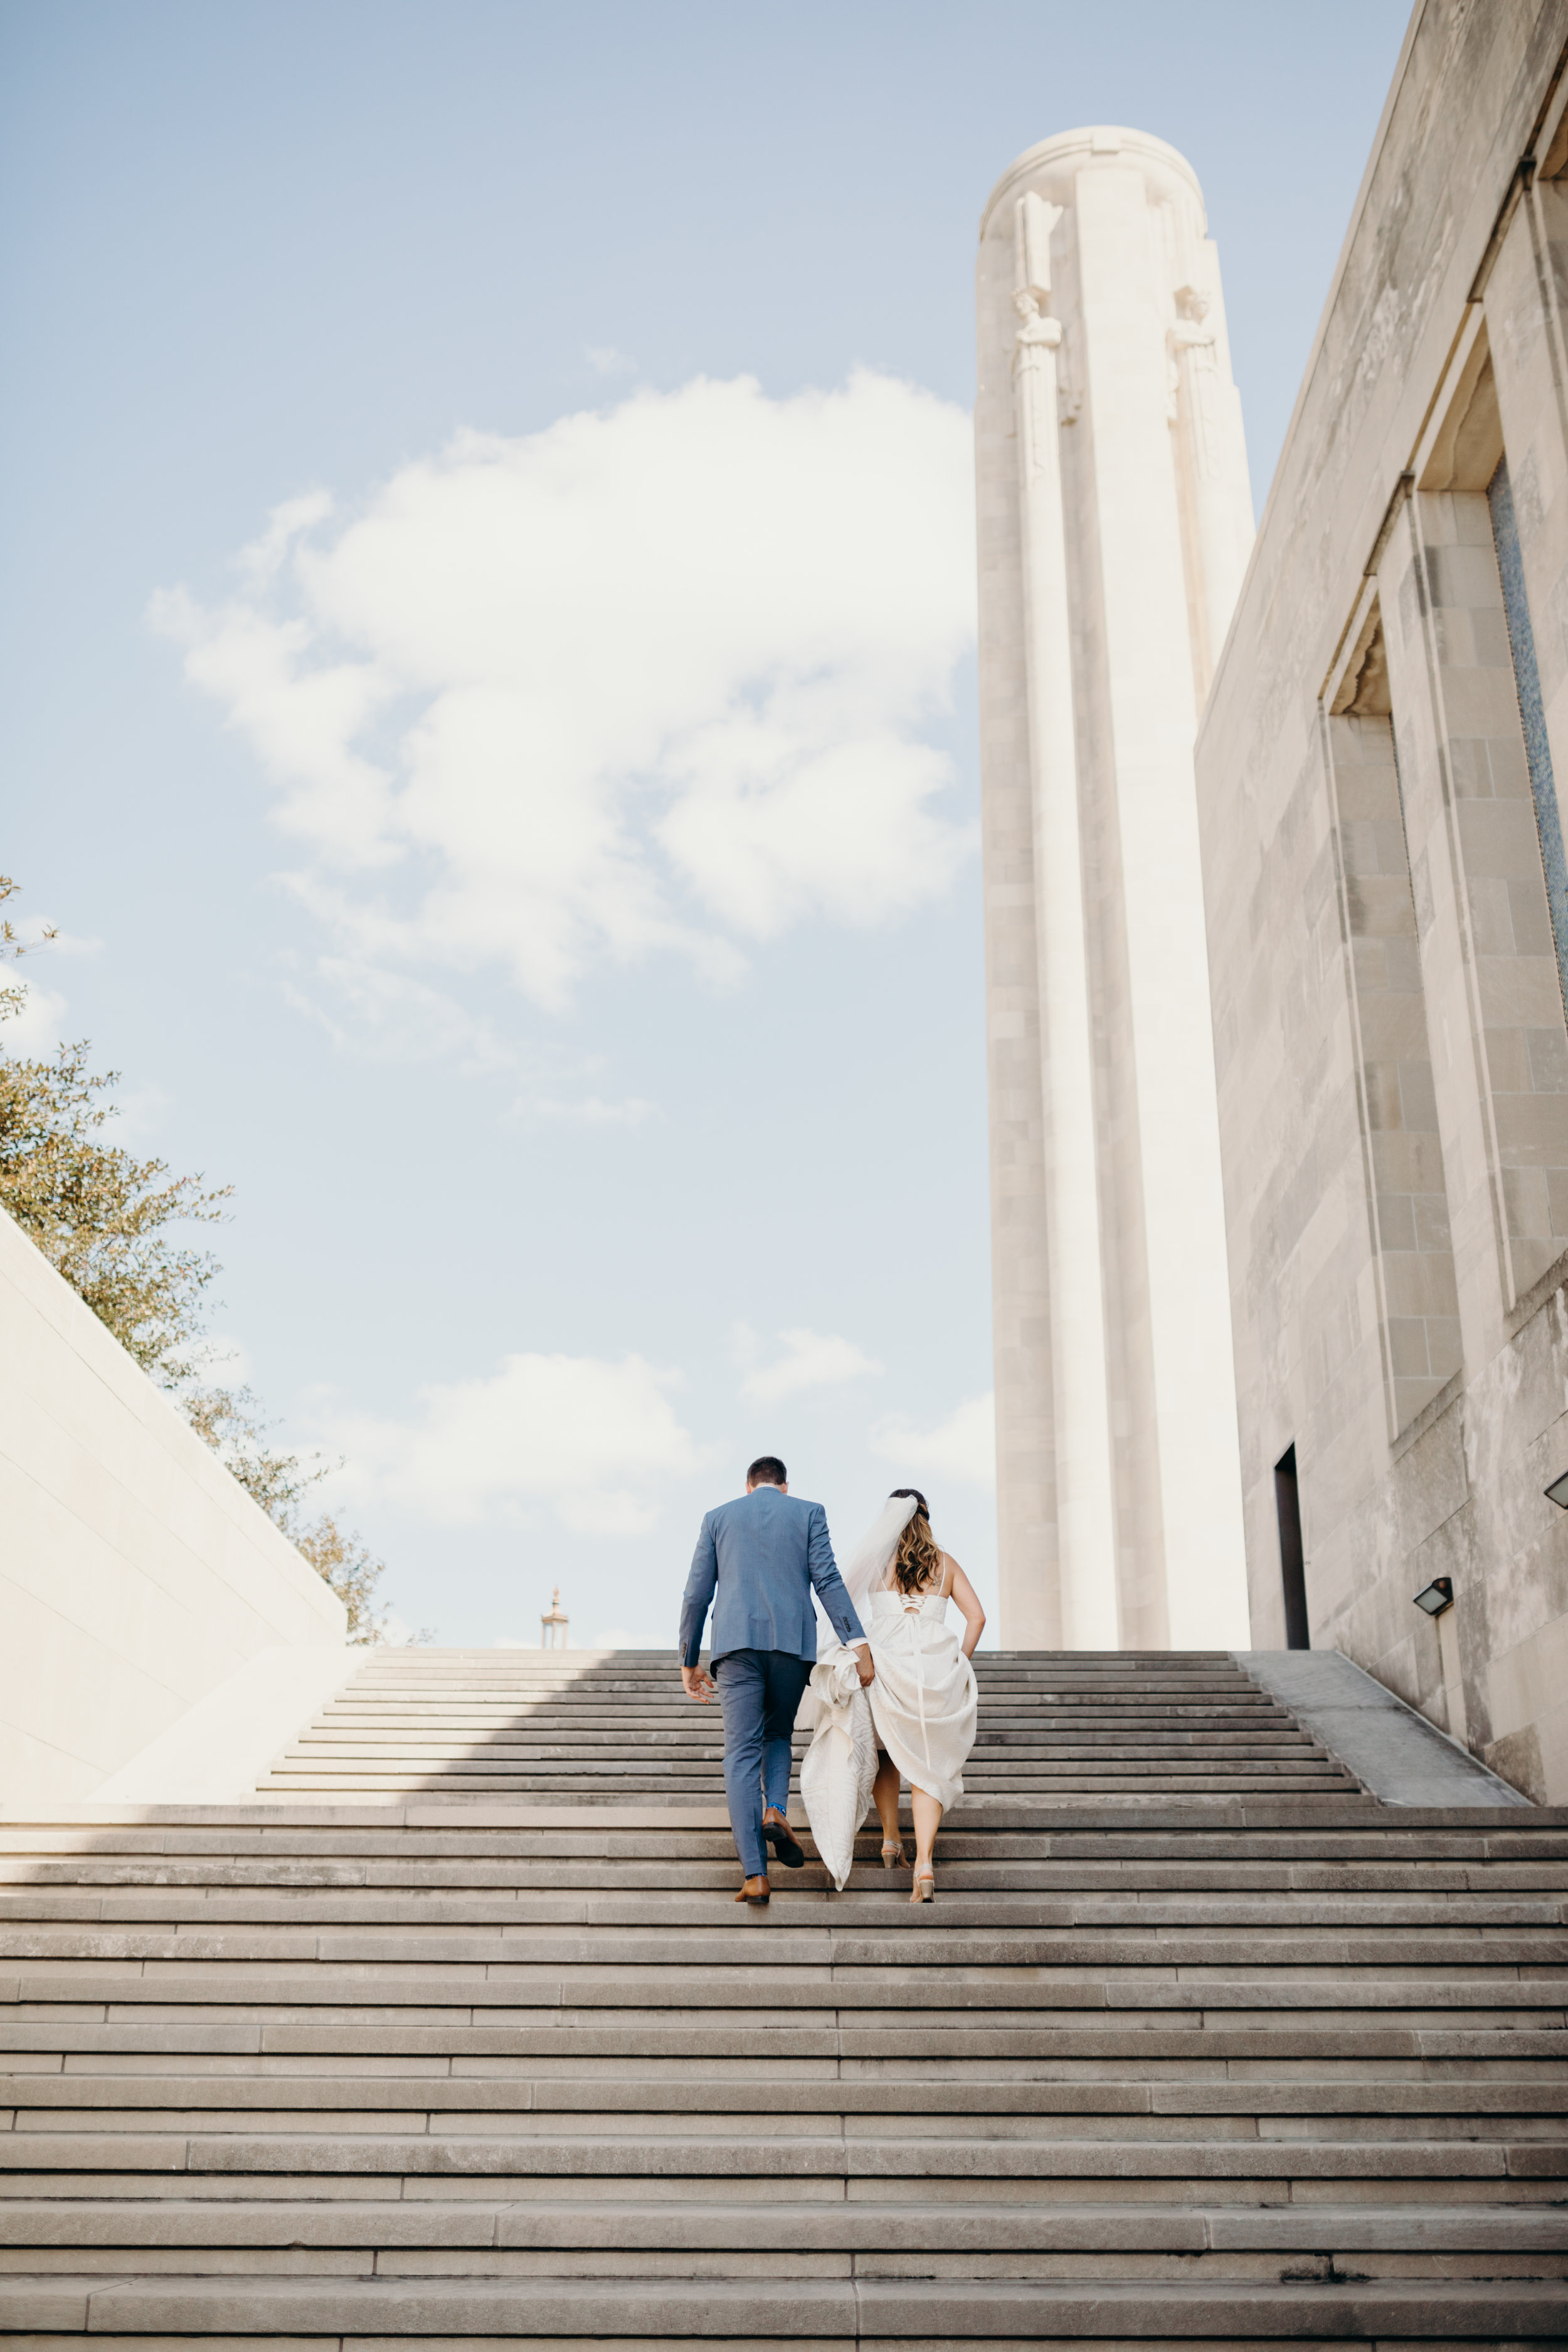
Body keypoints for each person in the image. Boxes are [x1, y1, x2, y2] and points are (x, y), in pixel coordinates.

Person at [679, 1455, 874, 1905]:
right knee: (779, 1735)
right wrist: (857, 1641)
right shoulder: (809, 1512)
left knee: (741, 1750)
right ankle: (776, 1810)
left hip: (737, 1647)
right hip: (791, 1645)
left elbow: (696, 1593)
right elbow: (827, 1578)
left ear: (749, 1486)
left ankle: (755, 1874)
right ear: (784, 1487)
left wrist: (689, 1659)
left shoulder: (717, 1518)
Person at [813, 1486, 982, 1903]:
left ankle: (891, 1839)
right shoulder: (946, 1564)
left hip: (886, 1664)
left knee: (887, 1750)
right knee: (928, 1765)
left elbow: (841, 1604)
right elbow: (977, 1617)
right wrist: (960, 1661)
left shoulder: (875, 1562)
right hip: (934, 1668)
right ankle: (924, 1862)